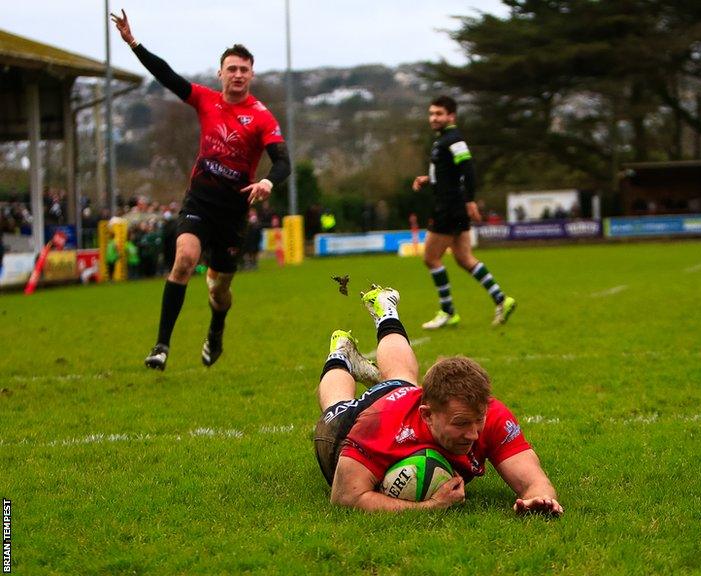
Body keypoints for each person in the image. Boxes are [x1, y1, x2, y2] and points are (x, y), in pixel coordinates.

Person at [111, 10, 291, 370]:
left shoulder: (261, 117)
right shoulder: (205, 100)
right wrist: (133, 42)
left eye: (244, 69)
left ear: (251, 75)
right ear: (220, 73)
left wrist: (269, 180)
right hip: (200, 203)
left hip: (233, 212)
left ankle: (216, 330)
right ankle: (161, 345)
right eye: (231, 68)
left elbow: (283, 160)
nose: (237, 75)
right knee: (184, 260)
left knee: (219, 290)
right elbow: (167, 76)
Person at [312, 284, 562, 514]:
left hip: (402, 396)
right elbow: (345, 497)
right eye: (462, 423)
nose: (474, 434)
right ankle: (339, 355)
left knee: (402, 376)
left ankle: (386, 312)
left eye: (478, 420)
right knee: (336, 404)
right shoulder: (379, 425)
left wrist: (539, 498)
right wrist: (431, 506)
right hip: (349, 425)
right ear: (427, 414)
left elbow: (533, 479)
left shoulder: (490, 413)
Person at [412, 96, 516, 329]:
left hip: (449, 207)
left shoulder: (454, 139)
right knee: (464, 258)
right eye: (431, 113)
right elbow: (450, 173)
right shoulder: (443, 140)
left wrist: (470, 201)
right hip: (453, 204)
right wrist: (429, 179)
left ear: (451, 116)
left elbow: (467, 170)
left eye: (439, 114)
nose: (433, 118)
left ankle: (448, 312)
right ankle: (502, 299)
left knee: (430, 258)